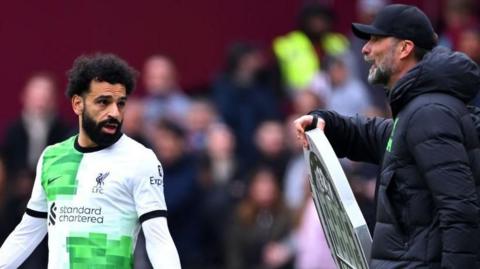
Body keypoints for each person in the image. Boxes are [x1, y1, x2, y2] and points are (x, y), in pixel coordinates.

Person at [294, 4, 480, 268]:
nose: (365, 49)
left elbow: (460, 212)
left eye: (375, 39)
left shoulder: (428, 112)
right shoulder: (419, 108)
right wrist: (327, 123)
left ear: (405, 48)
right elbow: (378, 135)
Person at [0, 53, 181, 268]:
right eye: (103, 102)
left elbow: (159, 240)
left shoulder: (140, 159)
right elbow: (27, 234)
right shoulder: (52, 157)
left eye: (120, 103)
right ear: (78, 104)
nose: (114, 112)